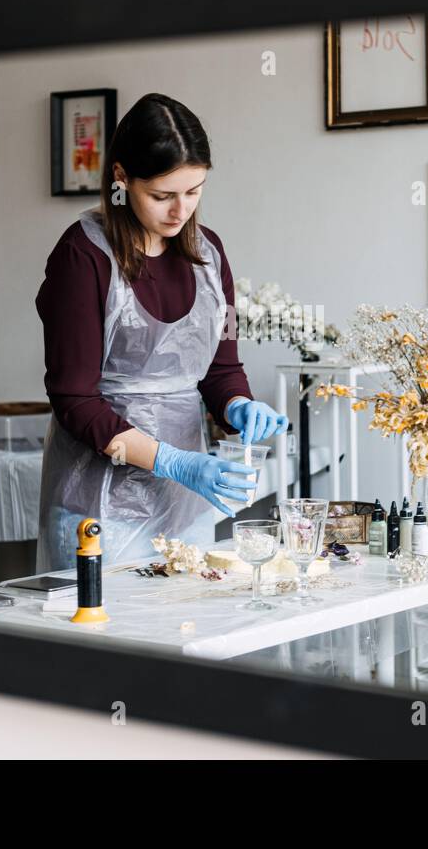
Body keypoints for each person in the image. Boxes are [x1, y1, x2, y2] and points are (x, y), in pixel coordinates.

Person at [34, 92, 288, 573]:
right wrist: (174, 460)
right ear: (121, 177)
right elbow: (75, 400)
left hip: (185, 499)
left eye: (194, 191)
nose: (181, 212)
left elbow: (221, 367)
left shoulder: (210, 256)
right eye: (162, 195)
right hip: (100, 504)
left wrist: (238, 405)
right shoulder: (81, 257)